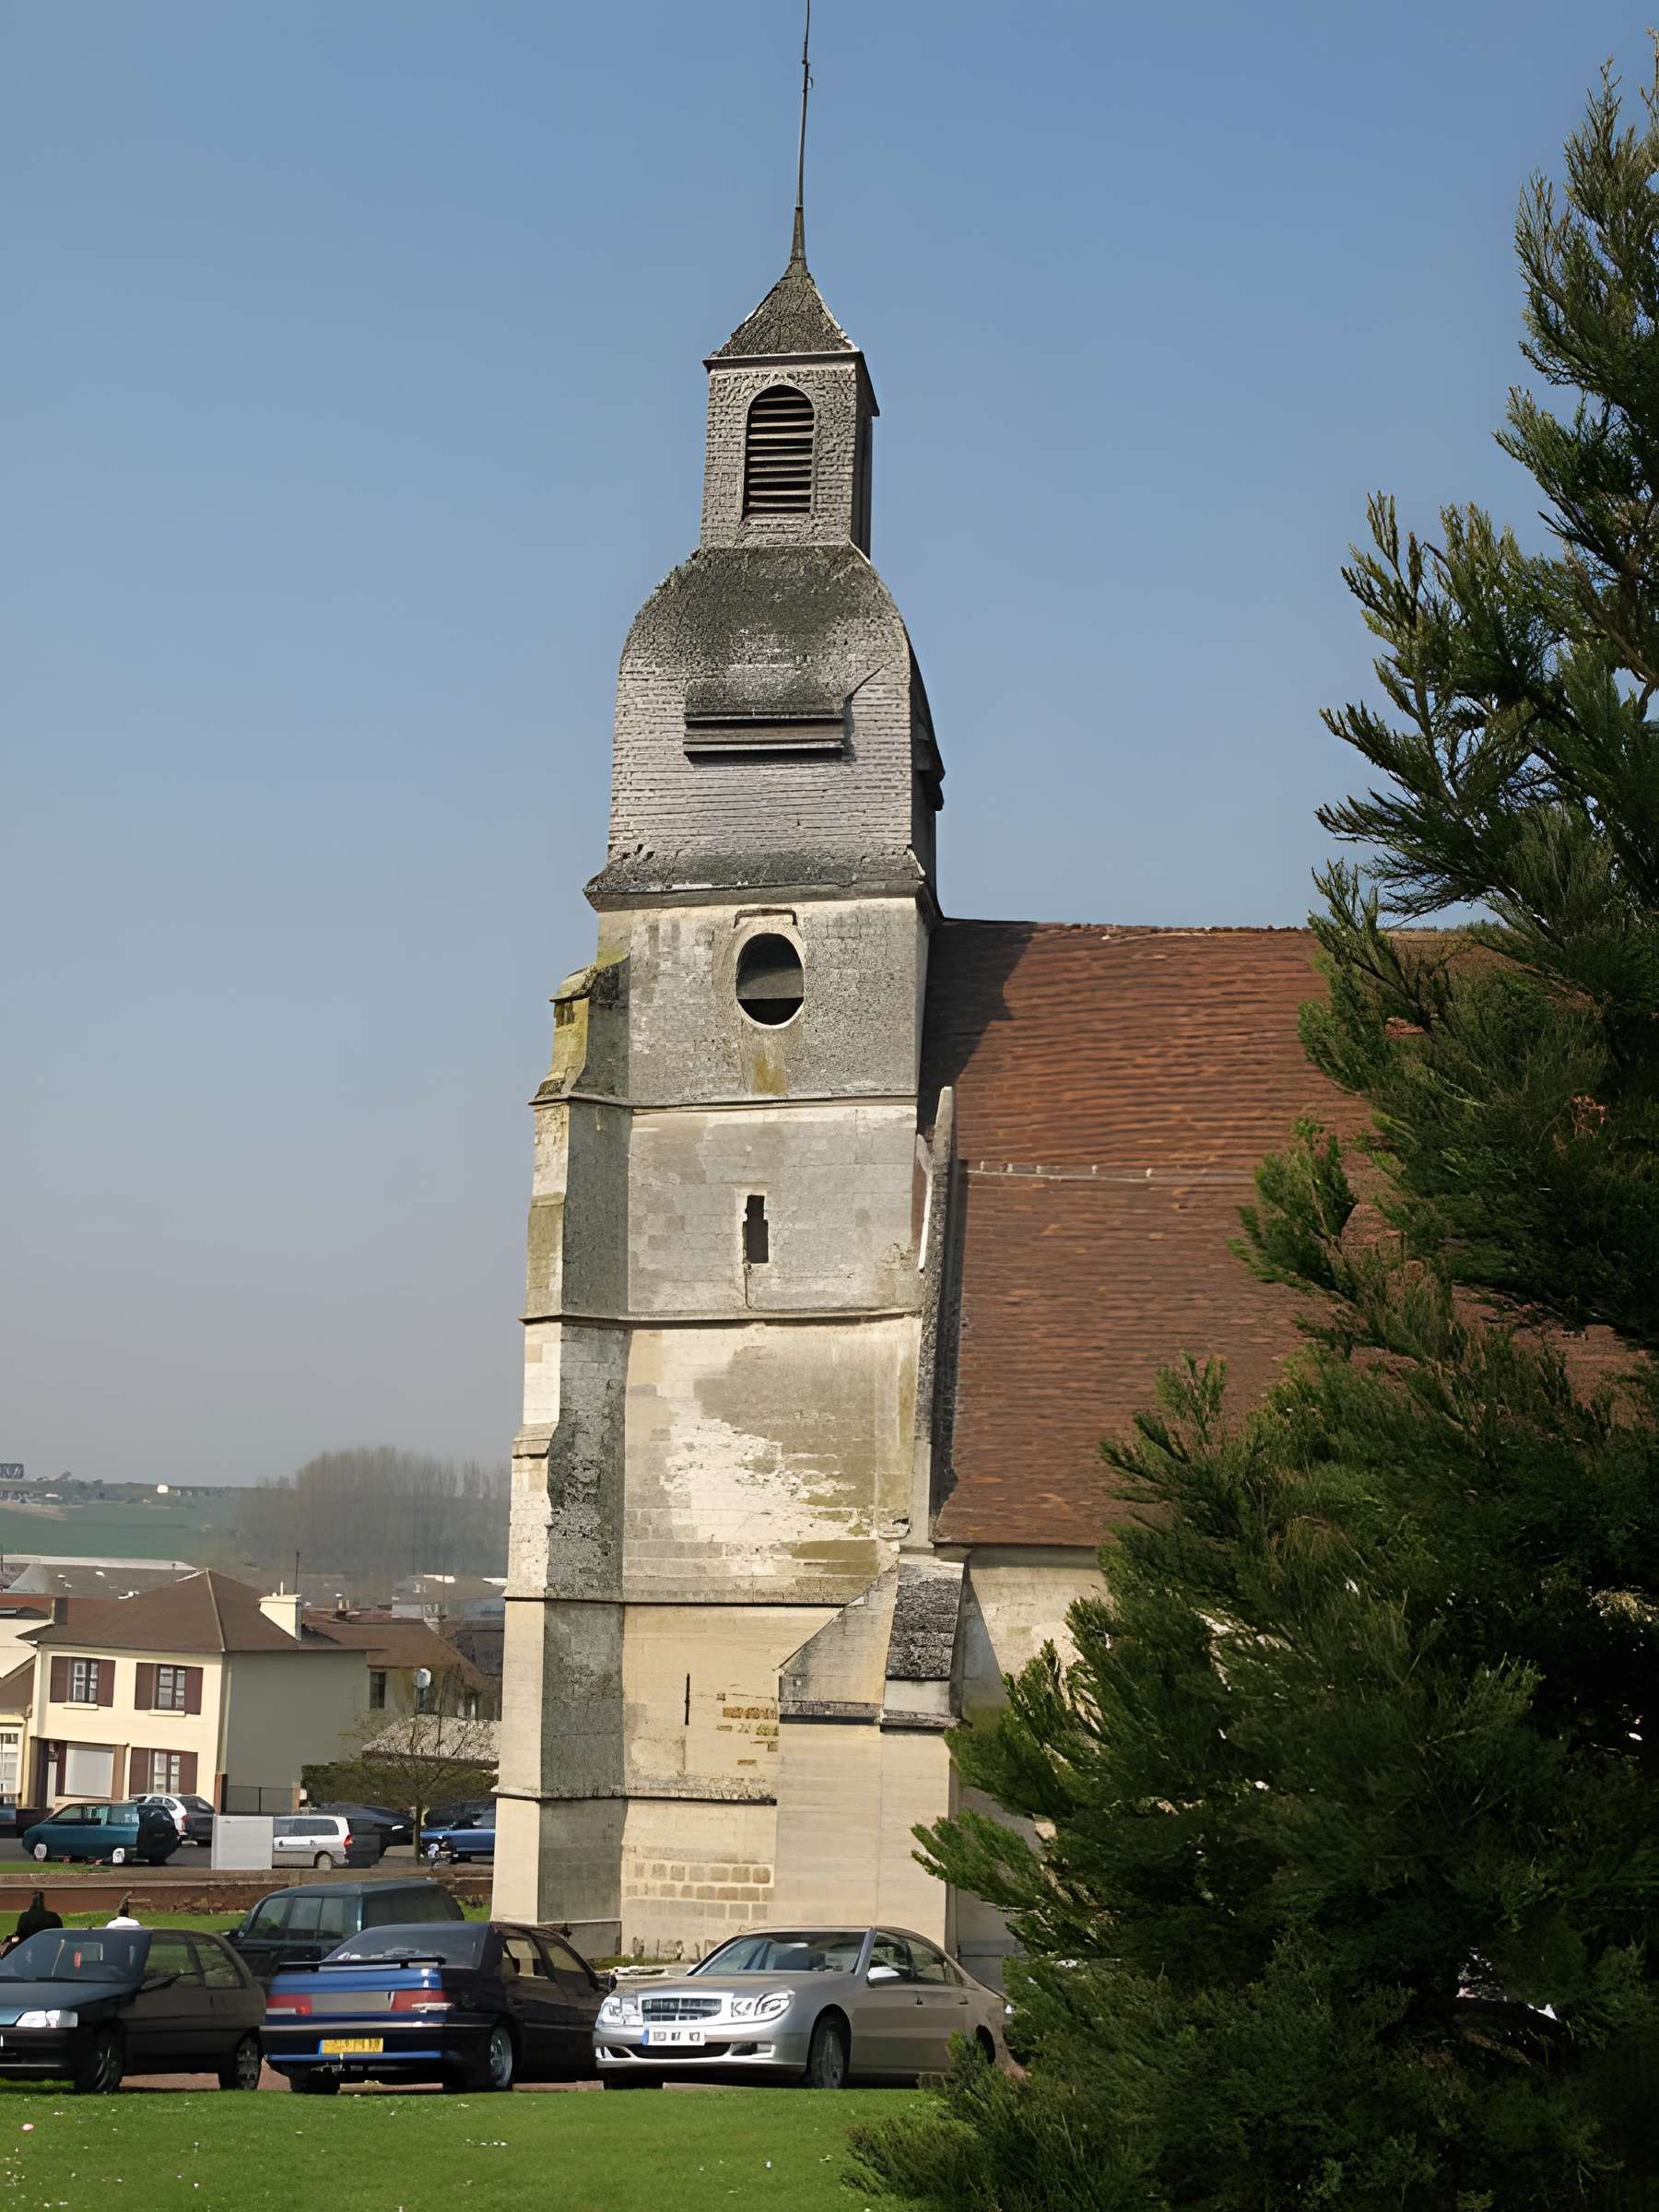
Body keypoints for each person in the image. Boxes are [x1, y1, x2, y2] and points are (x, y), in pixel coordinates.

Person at [3, 1890, 63, 1955]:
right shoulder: (54, 1916)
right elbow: (59, 1934)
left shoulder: (25, 1916)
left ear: (32, 1902)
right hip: (49, 1950)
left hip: (32, 1949)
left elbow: (20, 1934)